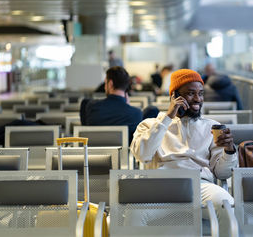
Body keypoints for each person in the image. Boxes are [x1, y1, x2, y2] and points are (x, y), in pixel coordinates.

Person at [130, 69, 237, 236]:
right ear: (174, 96)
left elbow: (222, 173)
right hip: (160, 187)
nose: (197, 99)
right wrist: (168, 117)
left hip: (200, 186)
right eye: (191, 93)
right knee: (132, 215)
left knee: (229, 208)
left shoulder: (211, 127)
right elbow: (142, 154)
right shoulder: (150, 125)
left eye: (200, 94)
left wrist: (229, 150)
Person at [80, 66, 142, 143]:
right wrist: (127, 107)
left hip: (94, 154)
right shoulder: (136, 114)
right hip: (124, 154)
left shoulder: (91, 106)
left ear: (110, 84)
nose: (105, 87)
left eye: (105, 83)